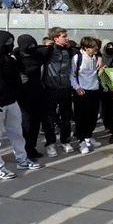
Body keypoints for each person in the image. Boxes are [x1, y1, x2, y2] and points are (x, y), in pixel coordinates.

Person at [0, 30, 42, 179]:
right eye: (7, 43)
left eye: (11, 43)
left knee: (17, 134)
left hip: (12, 103)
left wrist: (17, 93)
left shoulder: (11, 61)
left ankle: (22, 160)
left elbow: (16, 80)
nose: (10, 46)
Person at [41, 27, 81, 156]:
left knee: (66, 117)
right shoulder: (49, 50)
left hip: (65, 88)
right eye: (64, 36)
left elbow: (87, 51)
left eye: (66, 35)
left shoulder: (70, 51)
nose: (67, 38)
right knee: (49, 118)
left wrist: (99, 57)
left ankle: (65, 141)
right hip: (50, 88)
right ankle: (51, 143)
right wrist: (47, 46)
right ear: (55, 38)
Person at [14, 34, 47, 159]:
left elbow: (50, 49)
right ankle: (23, 150)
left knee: (35, 124)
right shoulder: (15, 56)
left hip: (37, 91)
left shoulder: (38, 54)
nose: (31, 48)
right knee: (26, 124)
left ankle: (31, 148)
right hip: (22, 95)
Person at [70, 37, 103, 154]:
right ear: (86, 47)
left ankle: (89, 136)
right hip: (82, 91)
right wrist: (77, 88)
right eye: (94, 48)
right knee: (81, 118)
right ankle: (81, 141)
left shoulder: (96, 57)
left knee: (93, 117)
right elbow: (72, 74)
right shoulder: (77, 58)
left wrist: (100, 58)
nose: (96, 50)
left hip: (95, 89)